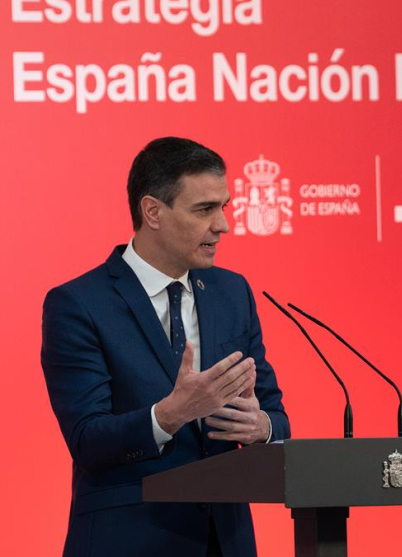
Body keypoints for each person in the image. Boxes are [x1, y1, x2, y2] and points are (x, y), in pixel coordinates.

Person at [41, 137, 290, 557]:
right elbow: (87, 440)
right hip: (127, 541)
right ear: (152, 212)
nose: (223, 225)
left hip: (224, 542)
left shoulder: (232, 293)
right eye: (204, 209)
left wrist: (261, 427)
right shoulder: (79, 304)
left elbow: (276, 416)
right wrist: (170, 415)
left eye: (224, 207)